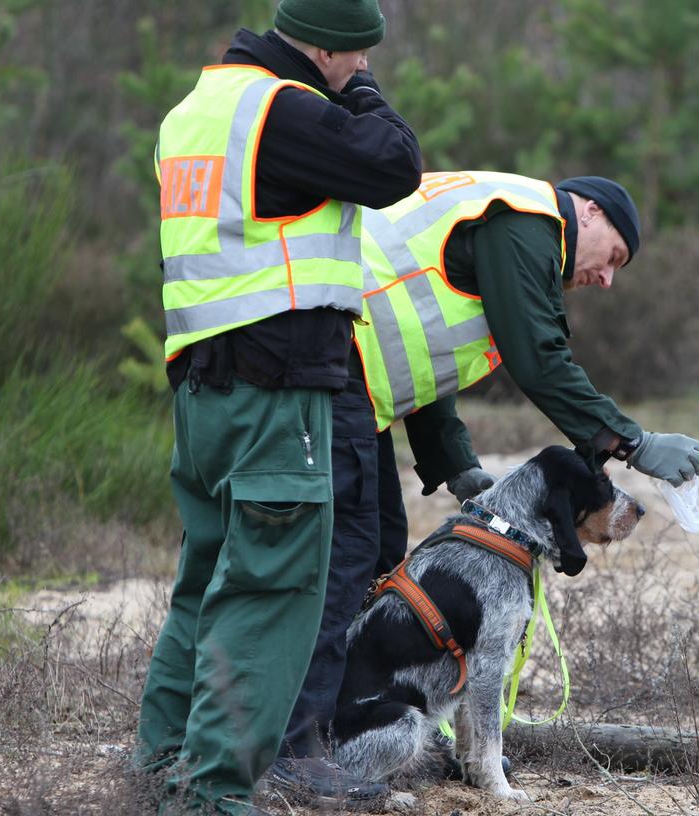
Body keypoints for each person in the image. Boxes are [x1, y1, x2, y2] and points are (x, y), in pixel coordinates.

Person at [269, 170, 699, 803]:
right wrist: (631, 442)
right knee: (344, 567)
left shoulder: (508, 232)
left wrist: (457, 467)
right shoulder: (526, 223)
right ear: (587, 213)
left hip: (353, 381)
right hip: (326, 364)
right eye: (613, 255)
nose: (608, 277)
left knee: (377, 555)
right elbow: (538, 356)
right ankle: (302, 755)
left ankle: (343, 739)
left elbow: (425, 358)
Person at [132, 0, 421, 811]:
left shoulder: (193, 110)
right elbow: (395, 163)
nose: (363, 69)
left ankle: (158, 769)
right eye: (357, 54)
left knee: (206, 584)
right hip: (275, 390)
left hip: (201, 388)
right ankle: (211, 797)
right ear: (325, 46)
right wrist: (361, 96)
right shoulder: (280, 108)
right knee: (266, 591)